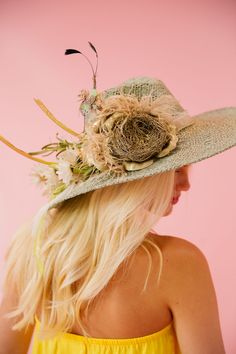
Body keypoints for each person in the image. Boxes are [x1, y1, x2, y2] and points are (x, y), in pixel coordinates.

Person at [0, 46, 235, 353]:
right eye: (176, 170)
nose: (187, 184)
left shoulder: (35, 249)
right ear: (135, 179)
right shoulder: (178, 264)